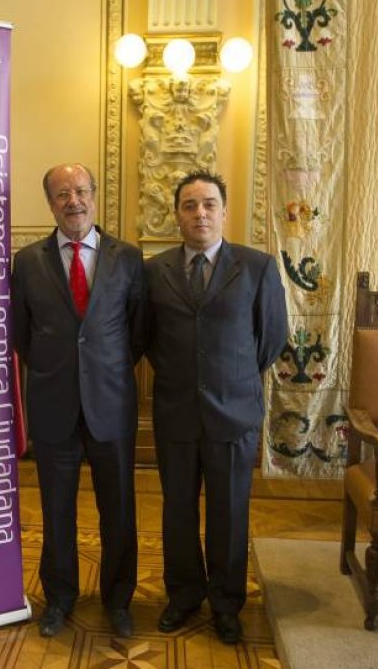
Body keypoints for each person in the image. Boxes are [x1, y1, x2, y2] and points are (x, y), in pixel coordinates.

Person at [144, 169, 288, 644]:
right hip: (176, 413)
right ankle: (184, 595)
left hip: (234, 414)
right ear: (178, 214)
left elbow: (270, 339)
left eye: (208, 204)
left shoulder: (258, 267)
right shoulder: (155, 270)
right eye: (189, 205)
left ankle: (227, 603)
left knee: (229, 512)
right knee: (179, 510)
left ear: (224, 211)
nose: (199, 213)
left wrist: (230, 378)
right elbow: (147, 339)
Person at [12, 163, 145, 638]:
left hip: (111, 406)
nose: (74, 201)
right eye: (62, 193)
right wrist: (58, 370)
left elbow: (138, 332)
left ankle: (118, 600)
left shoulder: (128, 258)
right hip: (53, 406)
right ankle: (60, 597)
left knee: (119, 509)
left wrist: (103, 369)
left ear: (94, 196)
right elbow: (22, 334)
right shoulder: (26, 262)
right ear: (50, 203)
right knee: (57, 509)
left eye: (82, 191)